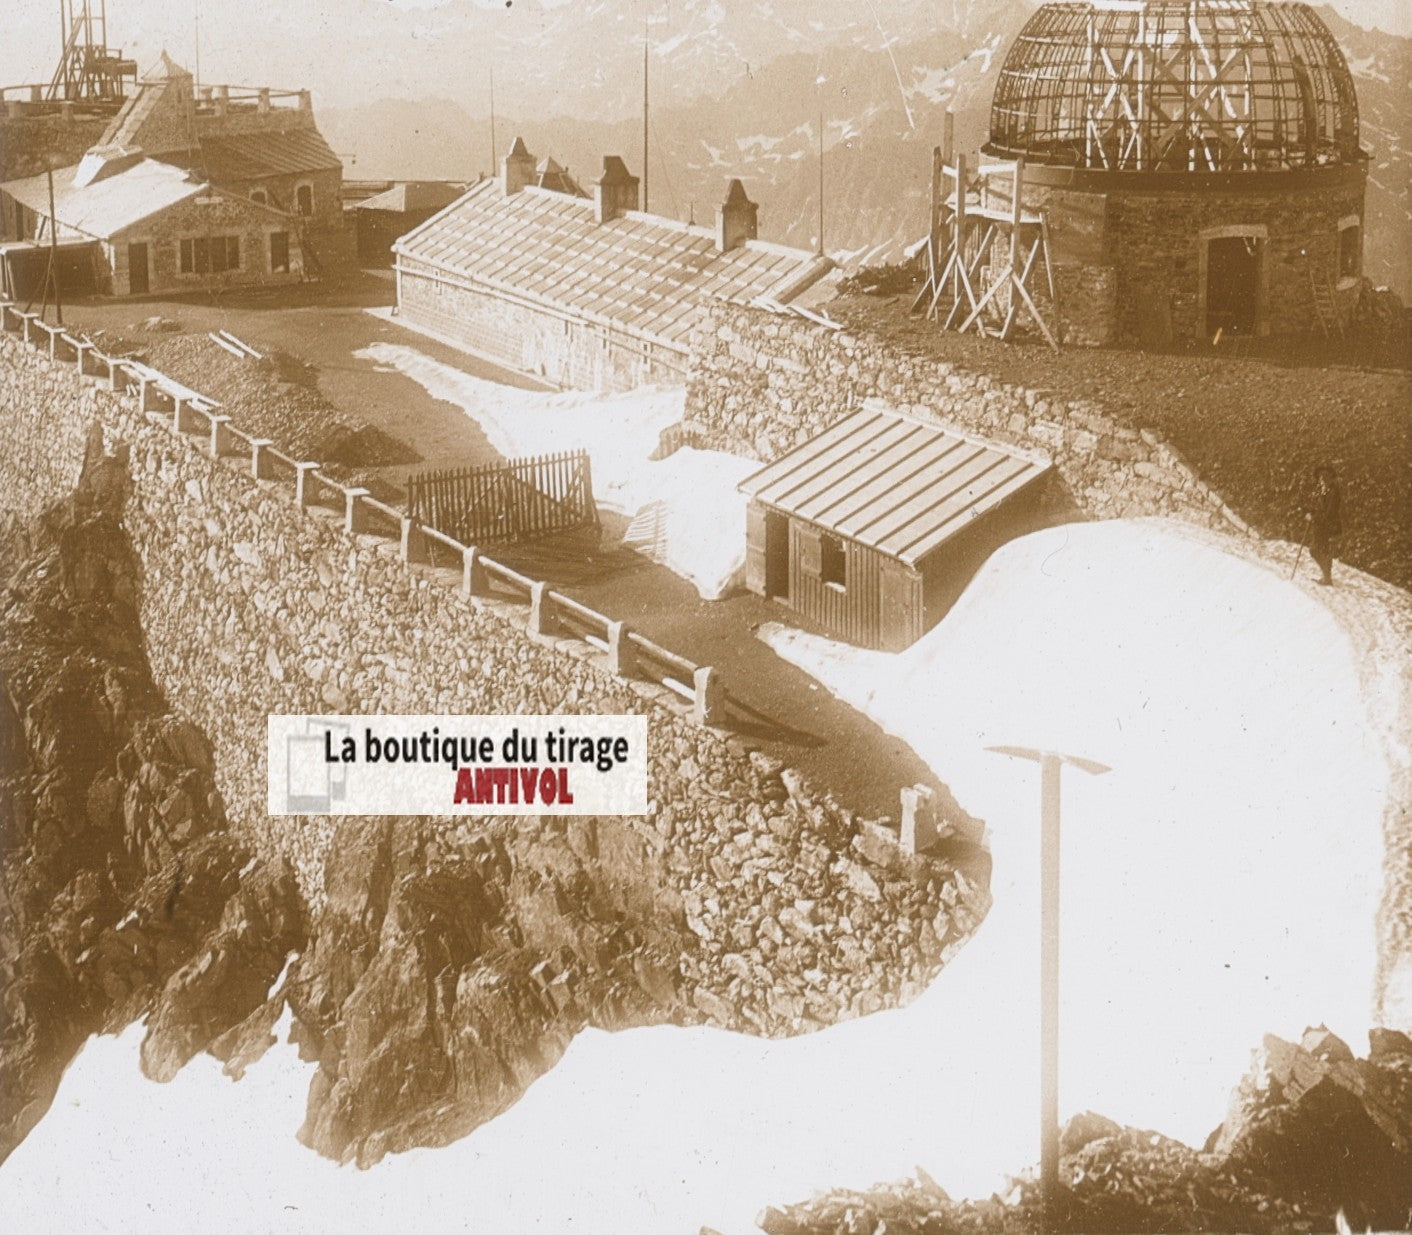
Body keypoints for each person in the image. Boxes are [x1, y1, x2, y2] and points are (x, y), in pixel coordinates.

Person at [1303, 464, 1342, 585]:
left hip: (1328, 526)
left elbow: (1329, 513)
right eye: (1320, 477)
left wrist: (1313, 517)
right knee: (1321, 551)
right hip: (1320, 525)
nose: (1322, 479)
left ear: (1330, 478)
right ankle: (1326, 577)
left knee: (1316, 550)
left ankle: (1326, 577)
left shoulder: (1333, 492)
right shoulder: (1320, 490)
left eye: (1325, 477)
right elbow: (1317, 506)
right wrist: (1310, 511)